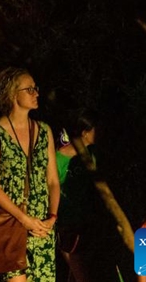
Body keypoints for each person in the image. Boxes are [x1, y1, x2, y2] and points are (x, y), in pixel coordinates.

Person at [0, 67, 59, 282]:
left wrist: (52, 217)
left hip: (42, 226)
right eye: (30, 89)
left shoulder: (44, 131)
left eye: (36, 88)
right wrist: (24, 219)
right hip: (12, 224)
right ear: (12, 94)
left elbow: (52, 180)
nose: (36, 93)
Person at [56, 114, 104, 282]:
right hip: (67, 223)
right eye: (94, 130)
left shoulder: (93, 153)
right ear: (85, 133)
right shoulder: (58, 158)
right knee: (80, 273)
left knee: (78, 272)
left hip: (88, 221)